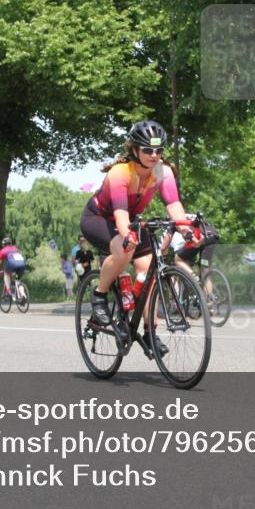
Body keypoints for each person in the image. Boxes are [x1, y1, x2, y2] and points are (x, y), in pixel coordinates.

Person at [80, 120, 192, 356]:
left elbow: (173, 204)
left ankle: (150, 332)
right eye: (148, 150)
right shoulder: (120, 172)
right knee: (124, 249)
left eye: (159, 150)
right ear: (134, 150)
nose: (154, 155)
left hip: (129, 219)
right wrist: (127, 236)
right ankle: (99, 296)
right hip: (99, 218)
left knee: (149, 271)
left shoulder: (163, 171)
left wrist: (186, 229)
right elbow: (120, 214)